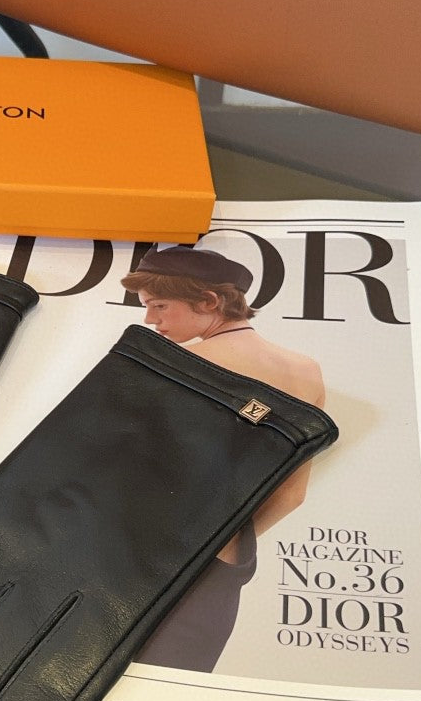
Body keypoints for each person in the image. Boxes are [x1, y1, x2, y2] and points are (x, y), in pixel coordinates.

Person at [120, 244, 326, 672]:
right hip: (221, 573)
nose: (150, 320)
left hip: (141, 562)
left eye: (159, 305)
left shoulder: (176, 364)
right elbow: (292, 496)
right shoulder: (306, 370)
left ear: (209, 301)